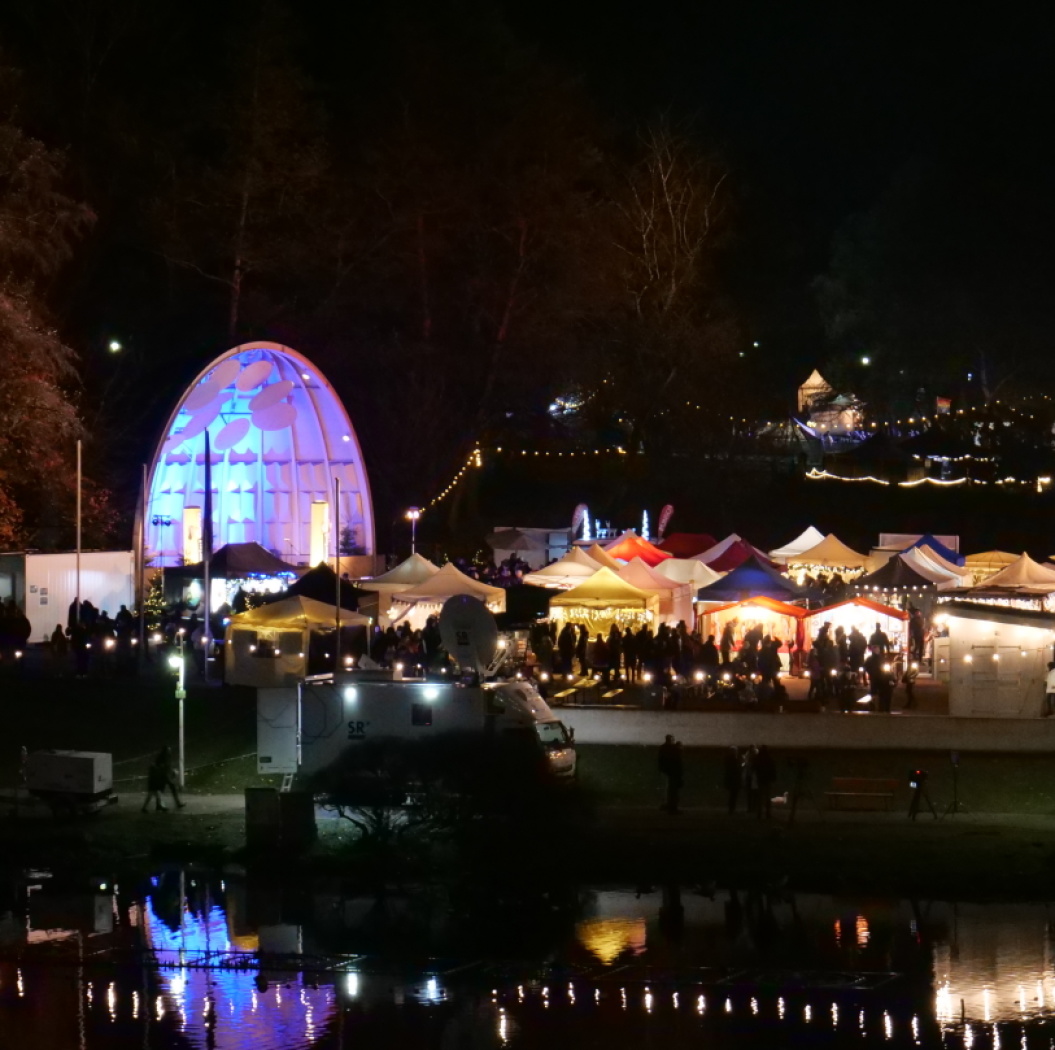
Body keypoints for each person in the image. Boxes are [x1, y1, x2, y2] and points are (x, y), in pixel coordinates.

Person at [142, 747, 184, 812]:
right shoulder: (161, 759)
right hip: (161, 777)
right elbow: (161, 768)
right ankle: (156, 806)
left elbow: (167, 768)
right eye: (168, 751)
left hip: (163, 777)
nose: (169, 752)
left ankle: (159, 805)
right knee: (156, 792)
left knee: (157, 792)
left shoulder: (167, 758)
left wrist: (171, 772)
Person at [657, 734, 683, 814]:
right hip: (672, 772)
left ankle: (669, 805)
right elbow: (677, 761)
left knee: (669, 789)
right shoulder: (673, 749)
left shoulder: (664, 748)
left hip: (668, 771)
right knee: (673, 790)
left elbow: (661, 760)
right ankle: (672, 807)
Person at [754, 745, 776, 819]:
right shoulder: (769, 759)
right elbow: (773, 769)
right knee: (767, 797)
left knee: (760, 797)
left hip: (760, 779)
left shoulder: (758, 759)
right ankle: (768, 813)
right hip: (767, 780)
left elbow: (755, 768)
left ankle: (759, 814)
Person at [723, 746, 741, 814]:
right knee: (733, 795)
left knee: (732, 795)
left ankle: (731, 809)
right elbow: (736, 769)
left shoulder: (728, 759)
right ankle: (732, 809)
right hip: (734, 780)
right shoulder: (734, 759)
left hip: (732, 780)